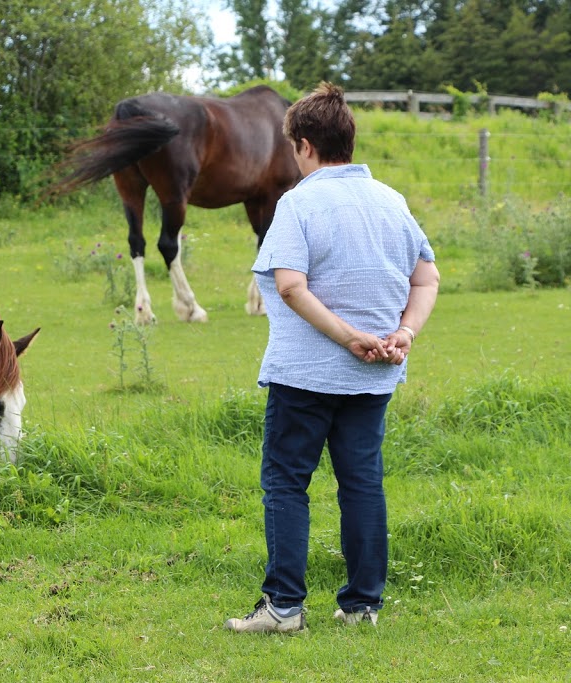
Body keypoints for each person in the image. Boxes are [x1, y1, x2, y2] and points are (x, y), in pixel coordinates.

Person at [224, 82, 440, 633]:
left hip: (306, 375)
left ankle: (283, 608)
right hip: (375, 376)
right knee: (362, 482)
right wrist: (405, 332)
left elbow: (292, 287)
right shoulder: (391, 201)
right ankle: (363, 605)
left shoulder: (299, 203)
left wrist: (345, 336)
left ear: (304, 146)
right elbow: (427, 276)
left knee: (287, 482)